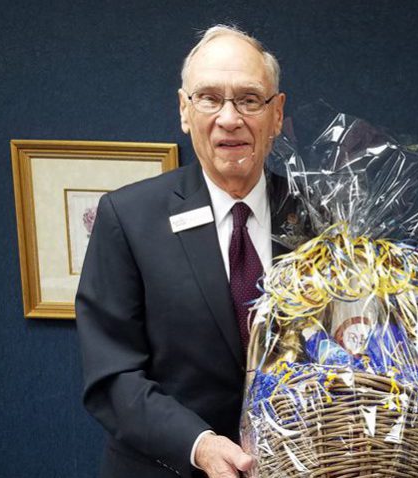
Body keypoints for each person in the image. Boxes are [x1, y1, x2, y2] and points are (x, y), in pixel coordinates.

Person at [76, 25, 289, 478]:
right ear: (184, 110)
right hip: (169, 467)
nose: (229, 118)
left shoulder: (321, 221)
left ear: (276, 114)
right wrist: (200, 445)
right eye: (209, 98)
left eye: (249, 100)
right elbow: (112, 376)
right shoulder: (128, 218)